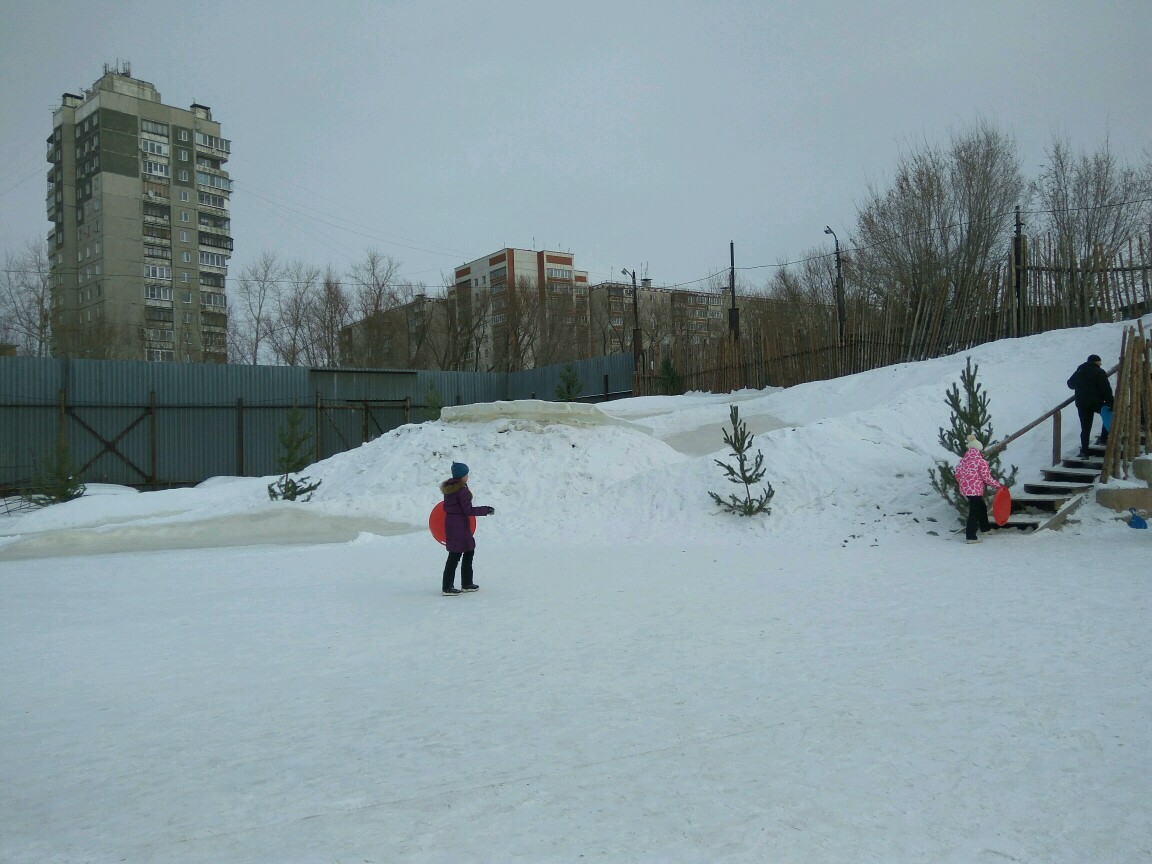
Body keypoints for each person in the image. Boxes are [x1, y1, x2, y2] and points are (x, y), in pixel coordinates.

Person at [439, 461, 495, 596]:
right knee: (456, 555)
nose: (467, 476)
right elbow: (468, 510)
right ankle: (448, 587)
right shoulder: (461, 490)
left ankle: (466, 583)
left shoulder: (450, 488)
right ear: (461, 476)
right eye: (466, 474)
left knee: (467, 551)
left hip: (453, 524)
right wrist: (486, 510)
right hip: (459, 525)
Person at [955, 434, 1004, 544]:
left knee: (981, 506)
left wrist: (964, 483)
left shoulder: (963, 461)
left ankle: (985, 528)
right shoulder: (981, 462)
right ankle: (971, 536)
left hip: (966, 489)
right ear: (979, 450)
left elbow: (957, 475)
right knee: (974, 511)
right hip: (975, 490)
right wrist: (998, 486)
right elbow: (986, 478)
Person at [1066, 354, 1113, 457]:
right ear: (1096, 362)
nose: (1101, 364)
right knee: (1108, 414)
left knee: (1085, 428)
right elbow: (1106, 390)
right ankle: (1104, 438)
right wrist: (1111, 402)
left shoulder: (1080, 370)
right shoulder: (1099, 372)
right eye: (1100, 362)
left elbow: (1070, 384)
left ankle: (1084, 451)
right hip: (1096, 403)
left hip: (1081, 403)